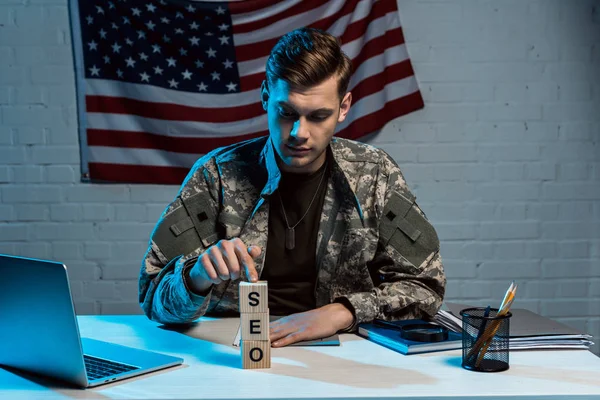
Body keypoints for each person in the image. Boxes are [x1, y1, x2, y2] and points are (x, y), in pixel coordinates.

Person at [139, 27, 445, 348]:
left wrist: (342, 312)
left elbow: (426, 288)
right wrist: (196, 277)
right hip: (229, 348)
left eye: (319, 116)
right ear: (266, 98)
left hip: (347, 351)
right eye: (287, 113)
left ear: (343, 107)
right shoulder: (216, 174)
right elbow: (152, 297)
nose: (300, 132)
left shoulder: (376, 173)